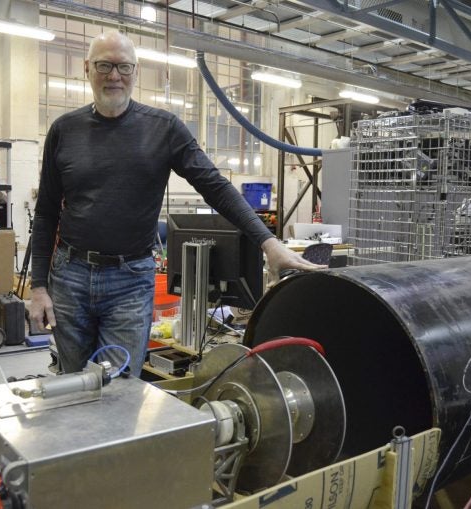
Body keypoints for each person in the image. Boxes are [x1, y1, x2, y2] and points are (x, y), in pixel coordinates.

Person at [29, 31, 324, 377]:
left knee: (121, 386)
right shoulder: (64, 130)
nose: (114, 76)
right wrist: (38, 287)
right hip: (71, 276)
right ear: (87, 69)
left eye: (123, 67)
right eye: (104, 65)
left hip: (130, 280)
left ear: (136, 71)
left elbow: (216, 187)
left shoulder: (163, 129)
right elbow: (46, 212)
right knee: (72, 385)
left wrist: (269, 243)